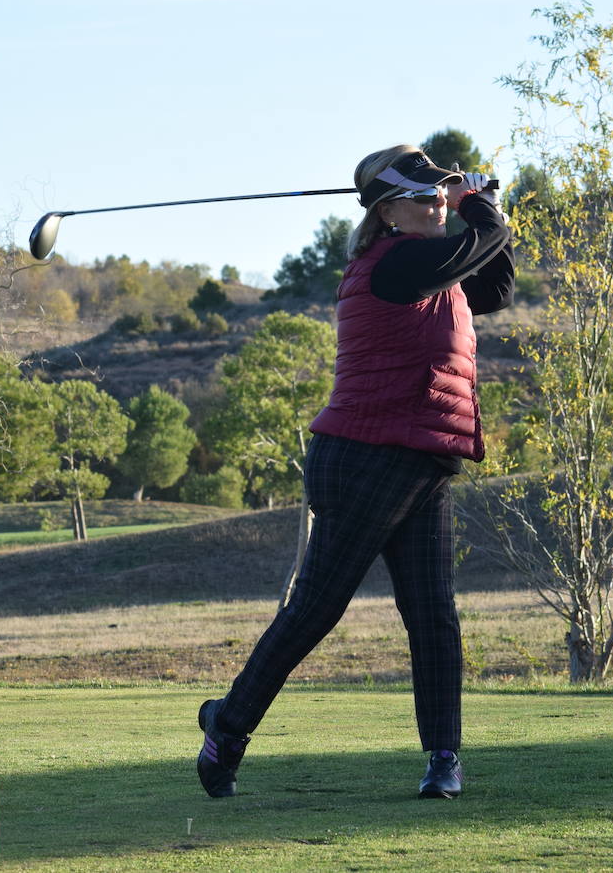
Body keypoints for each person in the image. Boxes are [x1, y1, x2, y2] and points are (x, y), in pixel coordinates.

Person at [195, 144, 514, 800]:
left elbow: (495, 287)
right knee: (316, 610)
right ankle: (227, 729)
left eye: (439, 193)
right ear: (388, 210)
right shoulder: (396, 265)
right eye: (424, 195)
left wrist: (489, 208)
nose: (436, 202)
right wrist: (479, 205)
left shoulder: (430, 267)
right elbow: (477, 240)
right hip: (367, 456)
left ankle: (443, 761)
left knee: (433, 618)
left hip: (421, 459)